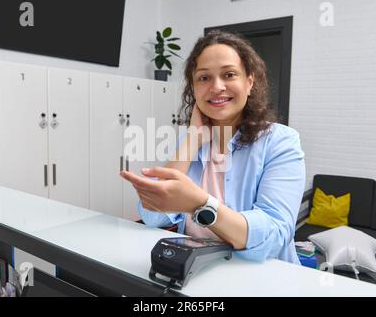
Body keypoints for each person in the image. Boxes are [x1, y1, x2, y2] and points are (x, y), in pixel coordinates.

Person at [120, 30, 305, 264]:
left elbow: (274, 237)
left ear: (249, 83)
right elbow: (152, 217)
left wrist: (200, 204)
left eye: (229, 74)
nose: (217, 87)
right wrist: (192, 138)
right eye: (204, 78)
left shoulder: (281, 141)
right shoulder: (190, 141)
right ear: (193, 89)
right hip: (195, 273)